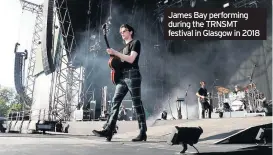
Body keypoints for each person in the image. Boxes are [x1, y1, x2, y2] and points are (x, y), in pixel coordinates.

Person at [92, 24, 147, 142]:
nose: (122, 33)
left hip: (133, 75)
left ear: (130, 32)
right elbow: (118, 63)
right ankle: (109, 129)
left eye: (124, 31)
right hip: (122, 77)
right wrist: (113, 55)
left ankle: (143, 132)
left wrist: (115, 53)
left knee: (137, 104)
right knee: (115, 102)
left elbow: (131, 59)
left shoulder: (135, 43)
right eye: (120, 32)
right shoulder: (122, 49)